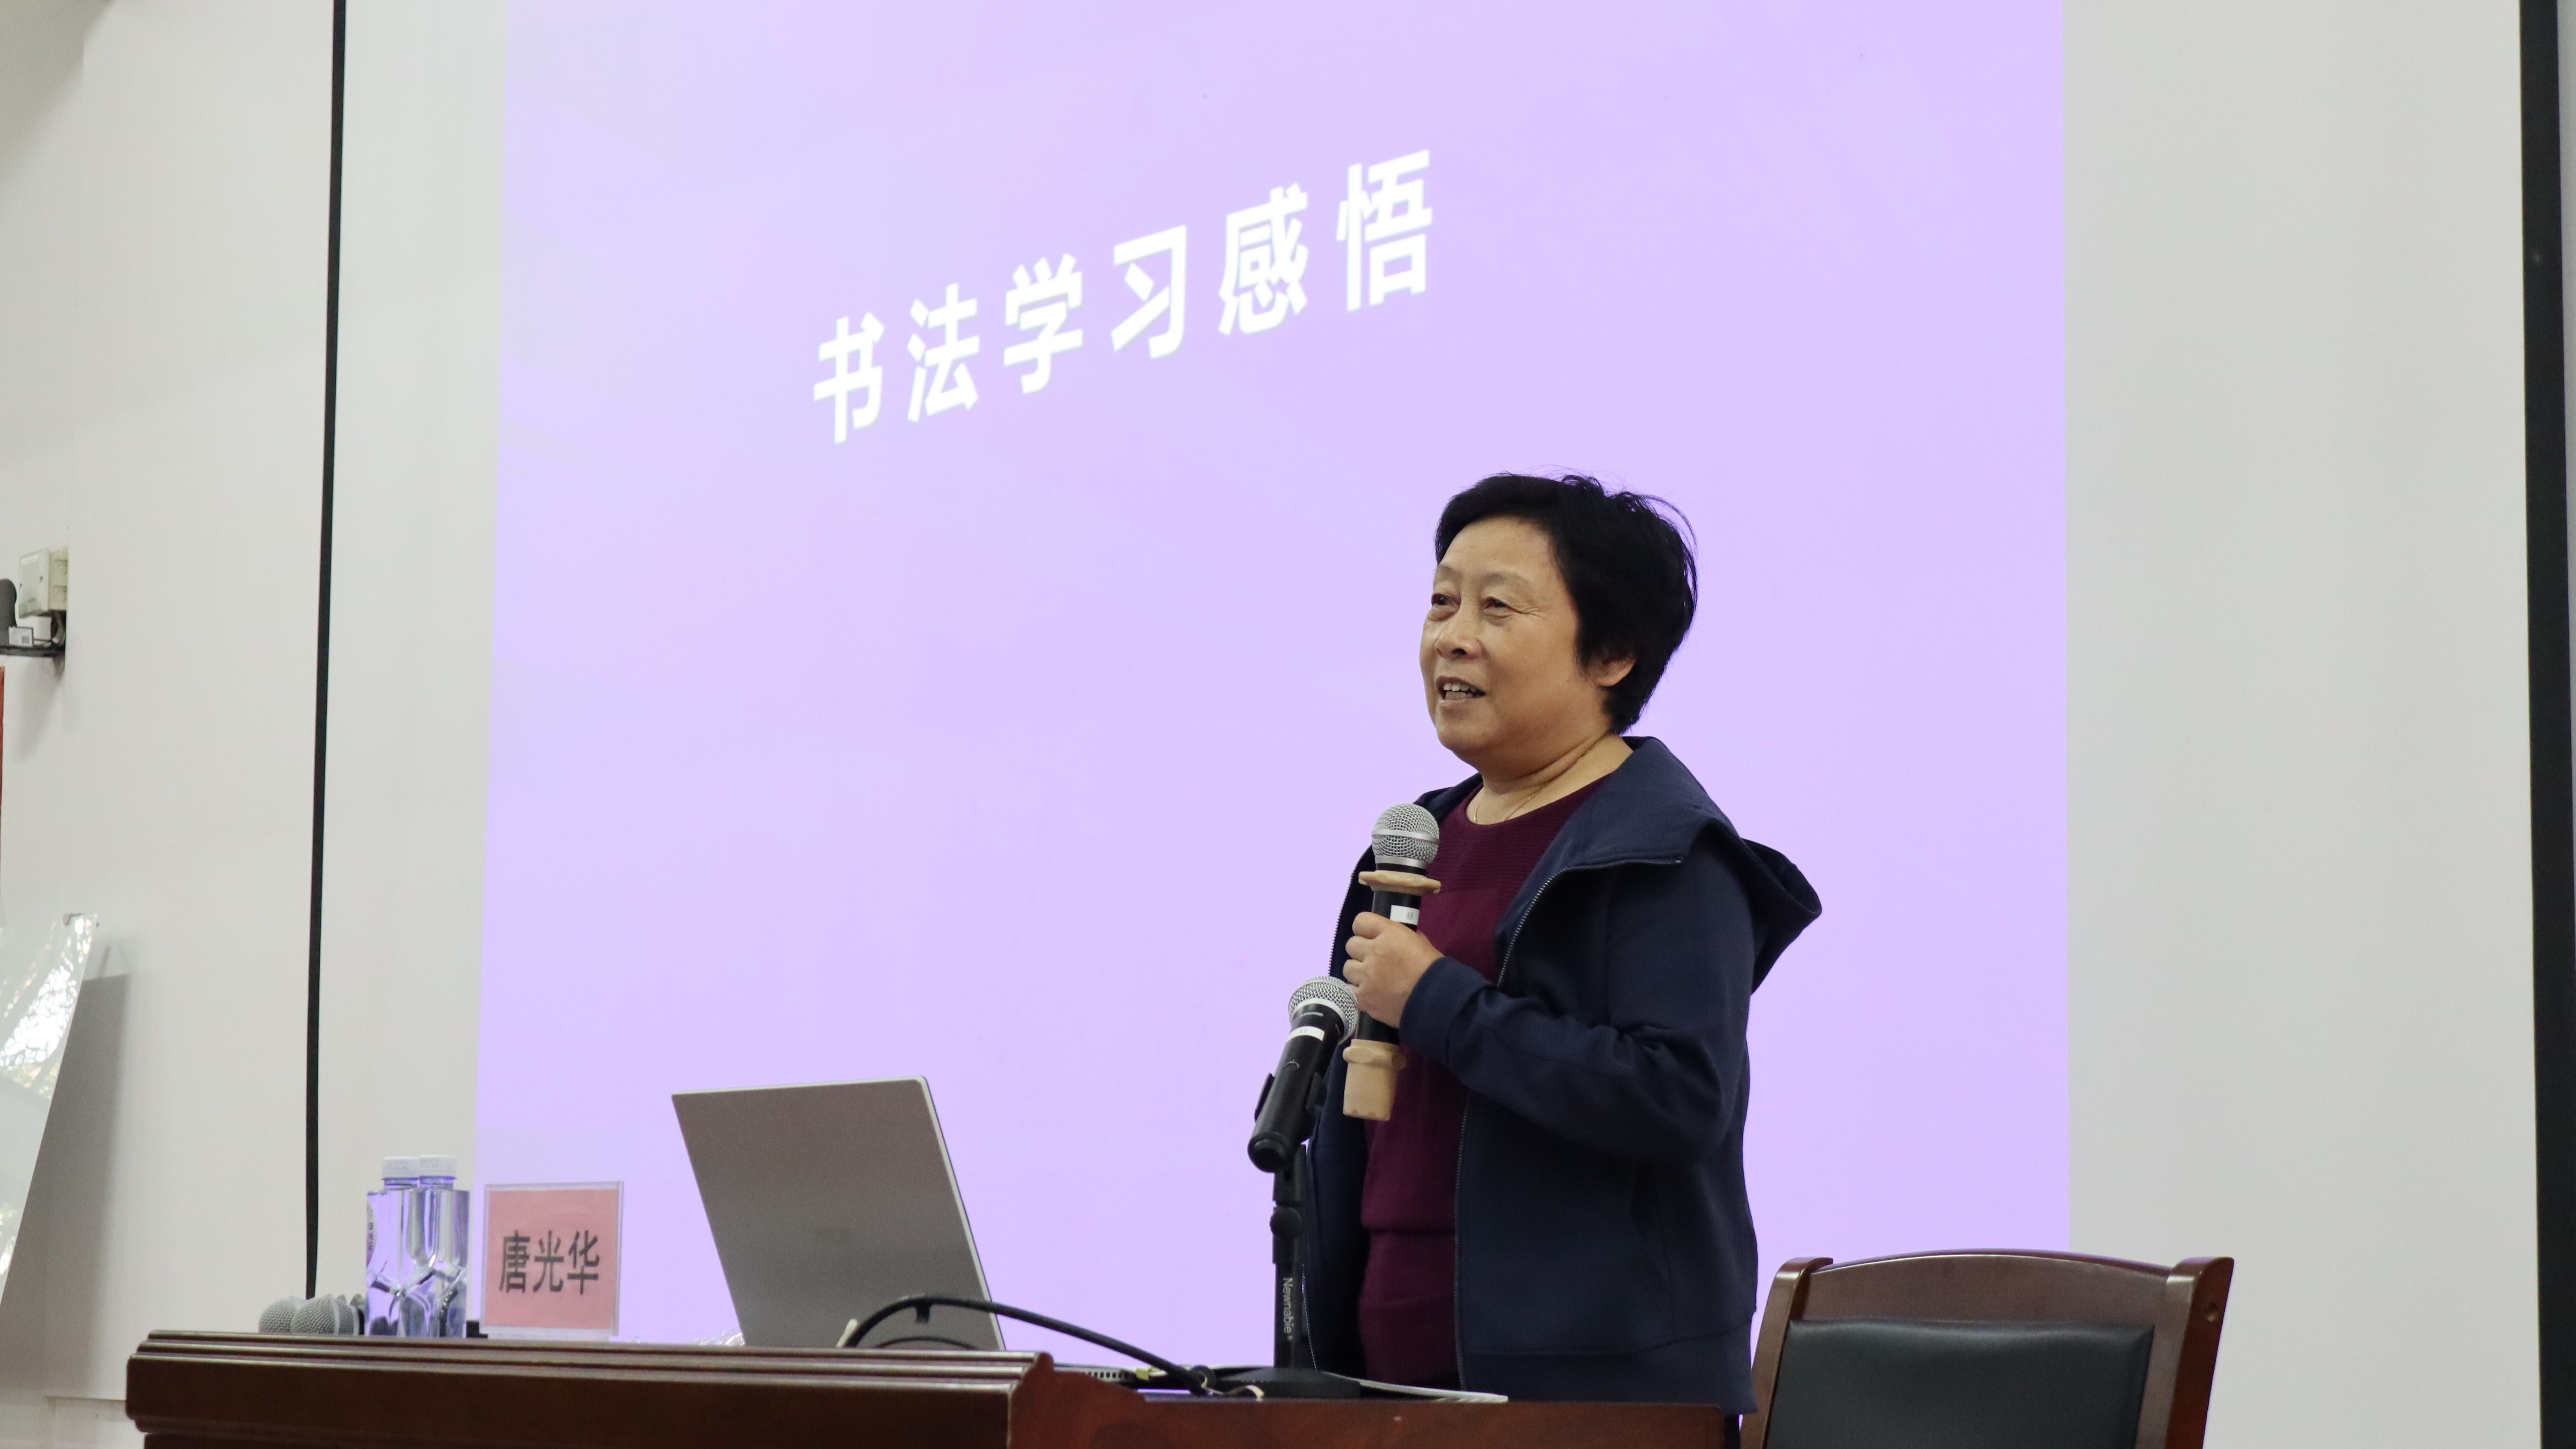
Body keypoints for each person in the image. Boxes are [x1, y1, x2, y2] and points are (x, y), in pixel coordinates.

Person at [1308, 473, 1820, 1425]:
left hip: (1593, 1398)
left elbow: (1677, 1094)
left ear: (1613, 653)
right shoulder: (1415, 841)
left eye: (1497, 608)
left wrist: (1436, 999)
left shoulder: (1666, 850)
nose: (1453, 637)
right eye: (1442, 602)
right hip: (1385, 1376)